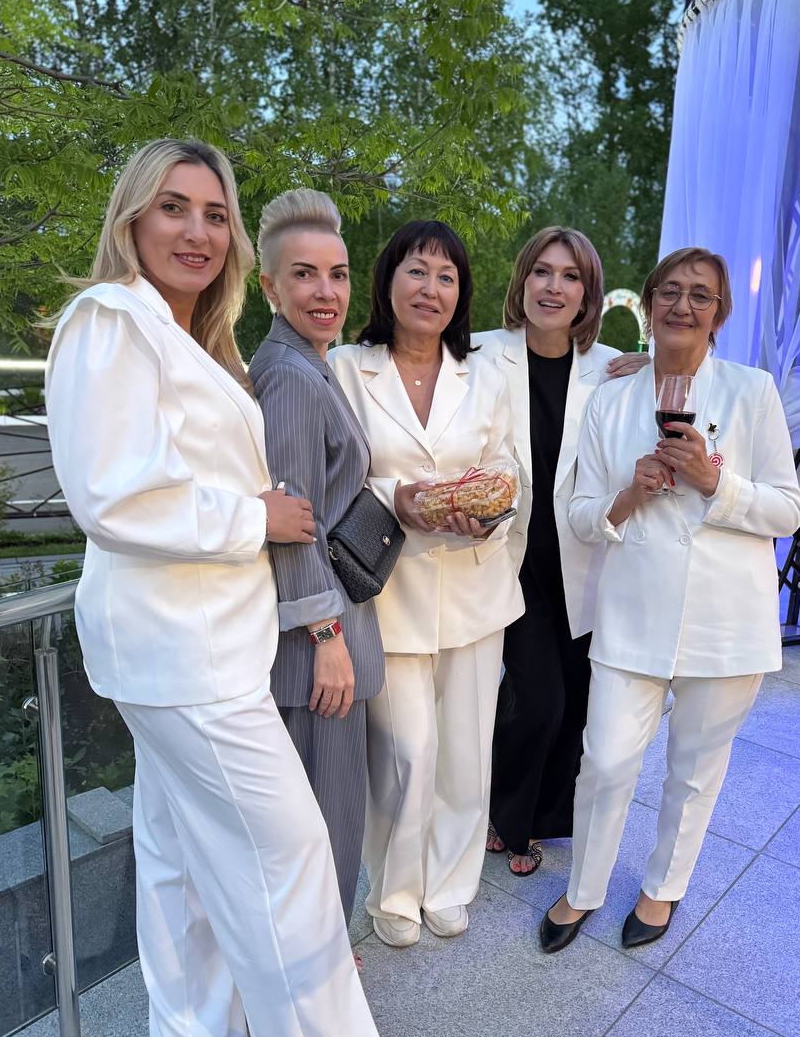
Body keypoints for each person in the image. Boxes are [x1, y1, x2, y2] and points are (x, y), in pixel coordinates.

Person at [45, 138, 443, 1037]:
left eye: (215, 213)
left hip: (186, 643)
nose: (197, 230)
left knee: (179, 850)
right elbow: (110, 494)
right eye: (174, 207)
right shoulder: (110, 321)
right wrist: (254, 517)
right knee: (291, 851)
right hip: (184, 649)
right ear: (131, 217)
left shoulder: (179, 334)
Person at [539, 246, 800, 955]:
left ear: (719, 314)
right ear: (650, 301)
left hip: (726, 620)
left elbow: (788, 510)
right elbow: (580, 514)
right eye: (670, 291)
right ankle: (583, 888)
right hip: (632, 614)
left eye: (700, 295)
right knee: (605, 761)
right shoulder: (613, 398)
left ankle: (662, 888)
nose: (683, 305)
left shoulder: (751, 392)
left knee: (695, 768)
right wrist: (630, 494)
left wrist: (717, 483)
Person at [329, 220, 524, 947]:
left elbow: (509, 469)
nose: (430, 288)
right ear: (387, 280)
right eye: (416, 271)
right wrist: (397, 498)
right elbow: (329, 472)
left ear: (461, 294)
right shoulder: (347, 368)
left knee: (466, 757)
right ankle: (393, 891)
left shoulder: (487, 375)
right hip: (387, 590)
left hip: (475, 586)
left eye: (447, 277)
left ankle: (450, 884)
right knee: (405, 753)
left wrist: (488, 513)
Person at [473, 227, 647, 875]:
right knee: (537, 697)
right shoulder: (480, 353)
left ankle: (535, 816)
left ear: (588, 294)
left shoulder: (611, 367)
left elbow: (679, 395)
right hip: (509, 558)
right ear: (522, 281)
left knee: (571, 701)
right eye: (542, 271)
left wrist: (654, 369)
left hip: (581, 559)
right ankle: (507, 814)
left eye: (570, 276)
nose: (554, 287)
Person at [249, 188, 382, 934]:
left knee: (329, 811)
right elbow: (290, 521)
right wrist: (326, 639)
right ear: (269, 286)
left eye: (338, 274)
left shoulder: (310, 362)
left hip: (327, 628)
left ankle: (317, 956)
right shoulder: (291, 378)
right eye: (304, 274)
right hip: (315, 646)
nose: (326, 291)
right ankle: (320, 965)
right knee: (326, 814)